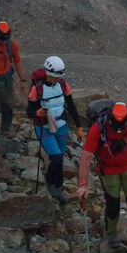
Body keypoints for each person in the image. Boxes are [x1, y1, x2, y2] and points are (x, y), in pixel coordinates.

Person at [77, 101, 127, 253]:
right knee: (113, 203)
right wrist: (83, 184)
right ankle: (111, 233)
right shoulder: (98, 128)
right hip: (108, 170)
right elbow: (85, 157)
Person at [26, 56, 82, 204]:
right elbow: (29, 111)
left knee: (59, 158)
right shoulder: (36, 89)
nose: (56, 80)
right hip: (44, 127)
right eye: (53, 77)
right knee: (56, 156)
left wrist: (79, 127)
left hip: (61, 126)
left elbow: (71, 107)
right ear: (46, 73)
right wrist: (36, 113)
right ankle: (51, 184)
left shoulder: (63, 86)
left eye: (58, 77)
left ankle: (59, 187)